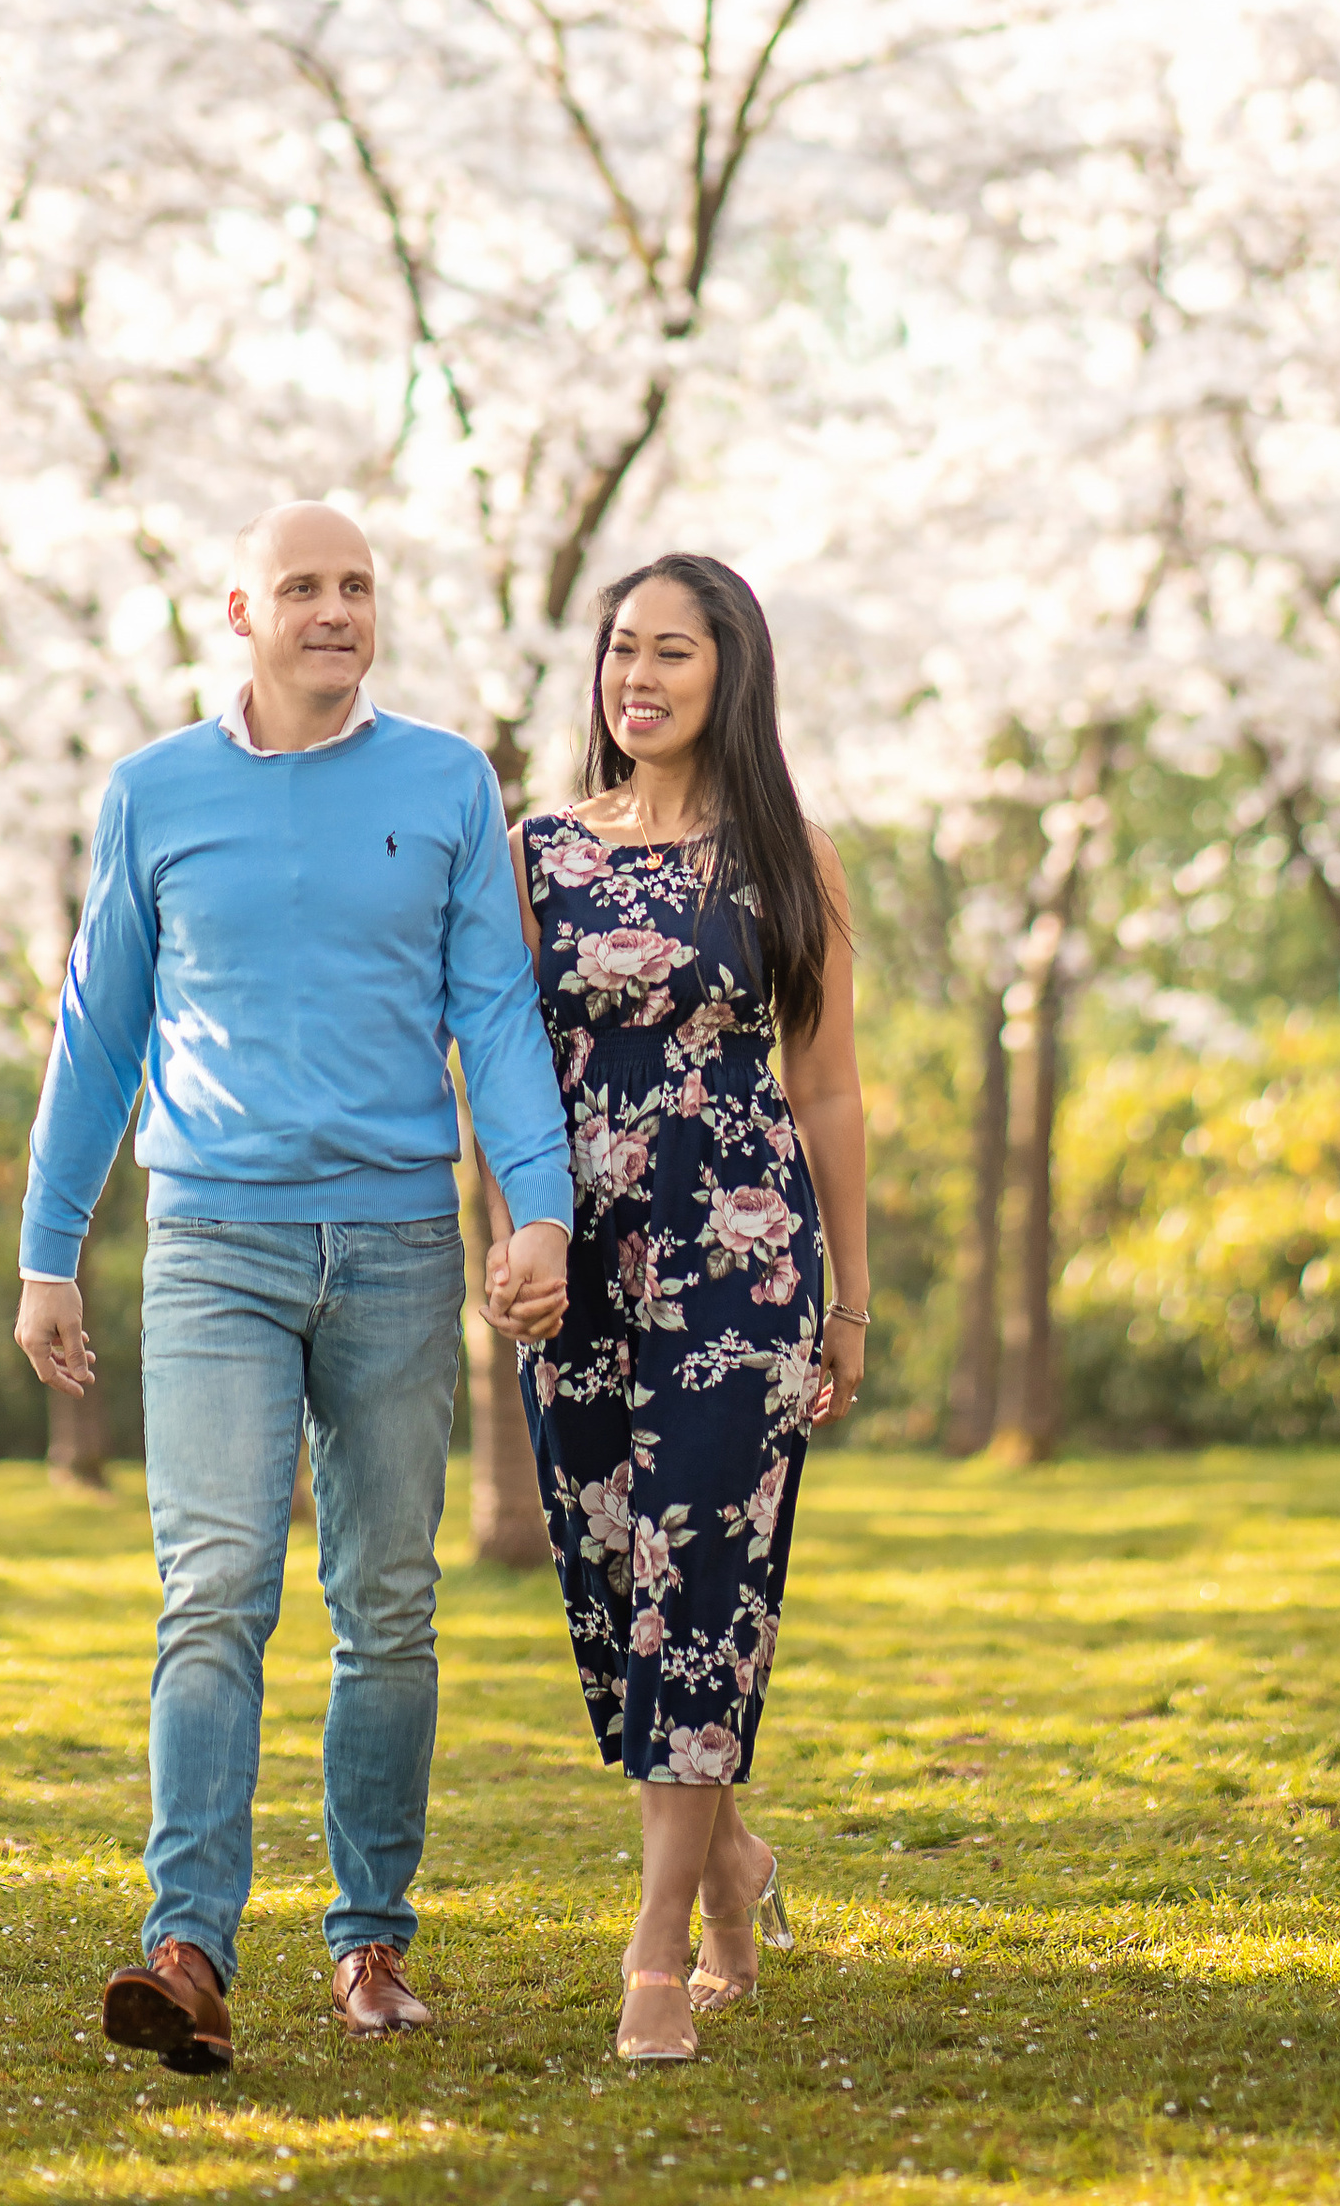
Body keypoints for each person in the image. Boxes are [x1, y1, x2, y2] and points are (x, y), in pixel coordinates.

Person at [14, 501, 574, 2078]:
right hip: (212, 1250)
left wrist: (539, 1207)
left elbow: (498, 1015)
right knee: (215, 1592)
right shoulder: (156, 794)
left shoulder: (447, 780)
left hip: (399, 1245)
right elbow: (97, 1031)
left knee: (387, 1604)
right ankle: (184, 1948)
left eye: (360, 588)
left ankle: (371, 1939)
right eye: (306, 589)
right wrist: (49, 1247)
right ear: (244, 609)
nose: (337, 611)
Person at [481, 553, 871, 2067]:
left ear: (732, 677)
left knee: (699, 1586)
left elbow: (829, 1087)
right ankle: (732, 1863)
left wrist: (849, 1300)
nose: (636, 679)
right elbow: (496, 1069)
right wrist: (515, 1237)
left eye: (672, 656)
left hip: (744, 1259)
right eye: (619, 652)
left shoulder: (790, 861)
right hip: (581, 1262)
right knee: (606, 1591)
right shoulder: (536, 854)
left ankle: (655, 1949)